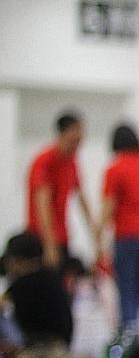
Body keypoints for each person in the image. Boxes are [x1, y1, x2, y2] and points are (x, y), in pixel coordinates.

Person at [100, 122, 139, 333]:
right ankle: (136, 331)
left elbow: (109, 205)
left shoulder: (115, 169)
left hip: (127, 235)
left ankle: (128, 335)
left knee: (125, 287)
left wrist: (98, 237)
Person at [27, 111, 98, 269]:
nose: (80, 137)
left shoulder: (71, 161)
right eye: (76, 131)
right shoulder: (45, 161)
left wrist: (95, 233)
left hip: (62, 236)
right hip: (41, 237)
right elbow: (42, 203)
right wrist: (49, 243)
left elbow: (82, 198)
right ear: (64, 132)